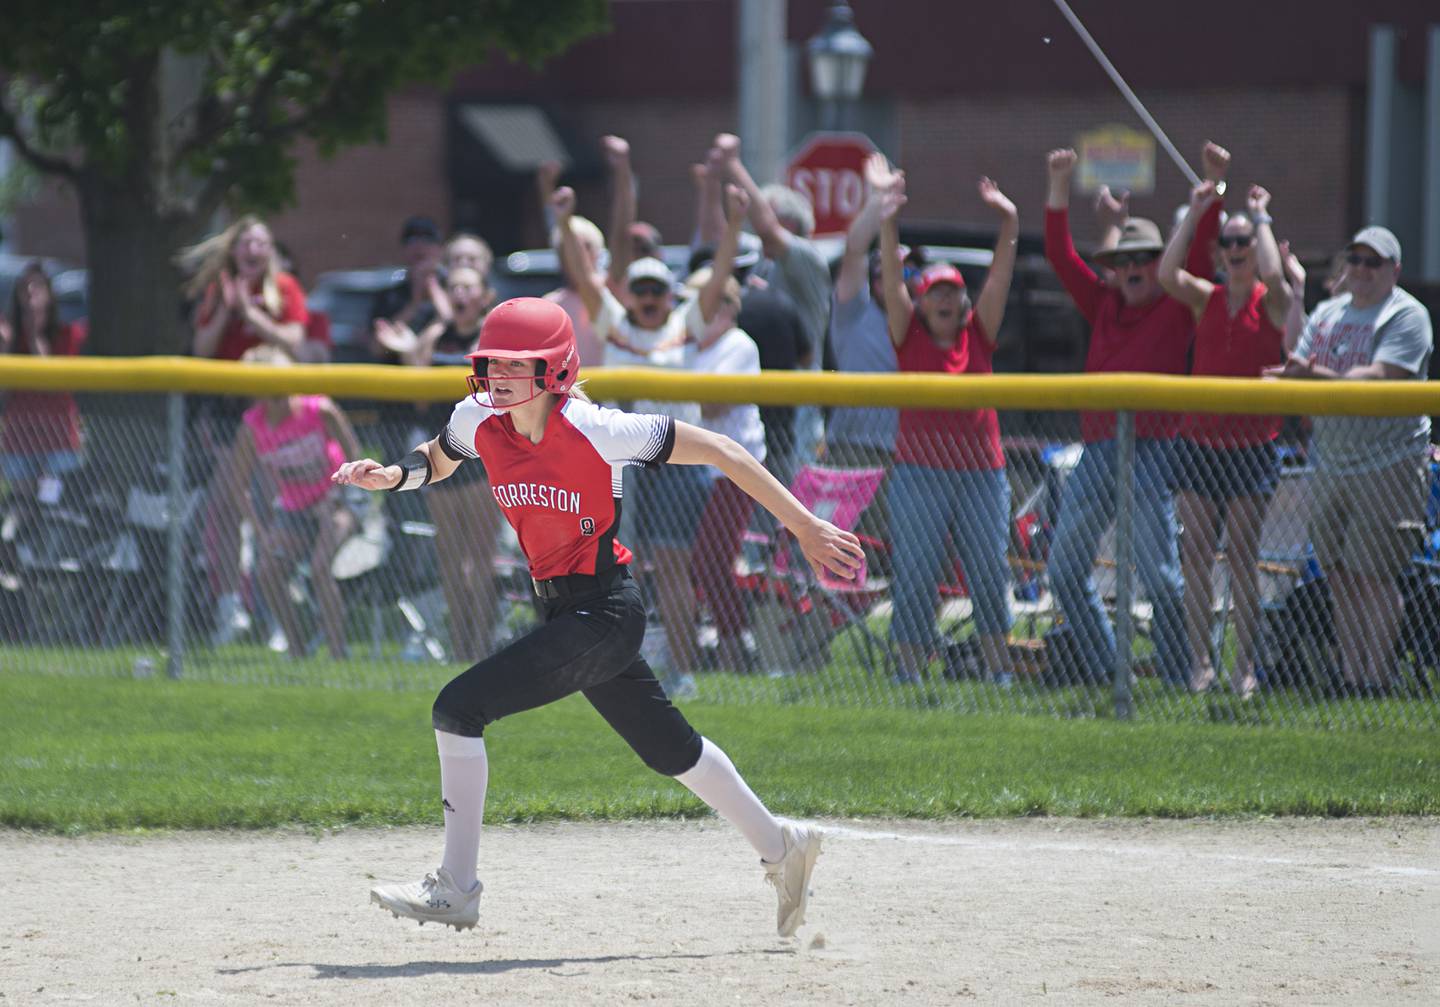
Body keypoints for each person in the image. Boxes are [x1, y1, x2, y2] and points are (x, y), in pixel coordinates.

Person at [332, 296, 863, 936]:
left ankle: (457, 886)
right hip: (564, 610)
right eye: (490, 361)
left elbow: (723, 449)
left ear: (553, 370)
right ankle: (784, 848)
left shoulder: (596, 429)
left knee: (458, 709)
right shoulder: (479, 417)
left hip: (604, 608)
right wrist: (392, 476)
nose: (496, 375)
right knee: (672, 750)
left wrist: (804, 527)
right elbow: (439, 456)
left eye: (514, 363)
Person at [553, 166, 750, 698]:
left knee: (676, 572)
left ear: (668, 294)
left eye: (655, 290)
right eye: (638, 288)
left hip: (674, 465)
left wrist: (732, 224)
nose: (646, 297)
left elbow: (717, 274)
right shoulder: (614, 323)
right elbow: (584, 276)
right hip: (619, 468)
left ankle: (682, 671)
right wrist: (566, 220)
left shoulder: (684, 324)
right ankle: (619, 672)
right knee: (616, 576)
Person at [1043, 143, 1225, 687]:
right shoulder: (1103, 302)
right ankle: (1105, 667)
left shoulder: (1174, 303)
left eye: (1143, 258)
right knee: (1063, 570)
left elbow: (1202, 255)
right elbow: (1059, 255)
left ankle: (1179, 673)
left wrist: (1211, 189)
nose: (1131, 268)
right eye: (1122, 260)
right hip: (1100, 448)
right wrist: (1058, 183)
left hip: (1154, 448)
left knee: (1161, 576)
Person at [1264, 226, 1434, 697]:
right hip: (1331, 462)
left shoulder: (1407, 315)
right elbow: (1298, 355)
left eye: (1372, 262)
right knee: (1338, 573)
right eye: (1354, 260)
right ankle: (1350, 674)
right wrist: (1296, 295)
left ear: (1393, 271)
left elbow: (1378, 376)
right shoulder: (1330, 311)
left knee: (1373, 575)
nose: (1360, 270)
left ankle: (1376, 679)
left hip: (1389, 463)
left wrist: (1310, 373)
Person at [873, 160, 1020, 687]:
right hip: (919, 472)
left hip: (982, 472)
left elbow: (1001, 276)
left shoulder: (977, 334)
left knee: (988, 572)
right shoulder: (907, 334)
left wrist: (1009, 223)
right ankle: (909, 668)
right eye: (935, 291)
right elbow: (892, 285)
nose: (945, 299)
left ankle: (1000, 668)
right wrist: (888, 222)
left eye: (953, 292)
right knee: (916, 573)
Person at [1159, 181, 1293, 698]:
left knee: (1241, 554)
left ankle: (1246, 669)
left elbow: (1278, 277)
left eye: (1244, 244)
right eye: (1230, 244)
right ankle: (1201, 663)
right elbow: (1168, 273)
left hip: (1251, 446)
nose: (1238, 251)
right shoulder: (1207, 297)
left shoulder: (1272, 303)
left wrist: (1260, 217)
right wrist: (1194, 212)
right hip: (1198, 444)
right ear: (1219, 254)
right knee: (1195, 552)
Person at [178, 215, 313, 646]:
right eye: (245, 243)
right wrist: (227, 309)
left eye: (261, 243)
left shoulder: (286, 288)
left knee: (273, 506)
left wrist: (251, 313)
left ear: (269, 251)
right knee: (229, 508)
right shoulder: (219, 291)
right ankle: (229, 607)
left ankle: (278, 609)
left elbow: (294, 342)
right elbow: (202, 351)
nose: (253, 250)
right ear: (234, 251)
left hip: (273, 407)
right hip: (228, 412)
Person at [375, 263, 504, 663]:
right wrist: (419, 341)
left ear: (484, 296)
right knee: (450, 562)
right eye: (454, 288)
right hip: (444, 456)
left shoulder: (491, 339)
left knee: (479, 564)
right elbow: (418, 397)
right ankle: (461, 649)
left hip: (484, 460)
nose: (461, 294)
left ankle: (482, 647)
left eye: (469, 288)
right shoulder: (437, 336)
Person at [225, 346, 364, 659]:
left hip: (338, 501)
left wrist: (336, 496)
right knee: (269, 571)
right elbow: (238, 485)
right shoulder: (253, 426)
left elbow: (358, 460)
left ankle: (339, 652)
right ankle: (297, 649)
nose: (278, 398)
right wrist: (261, 532)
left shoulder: (320, 411)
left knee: (319, 568)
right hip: (295, 509)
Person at [712, 134, 832, 482]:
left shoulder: (807, 258)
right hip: (757, 401)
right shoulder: (762, 264)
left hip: (796, 403)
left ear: (791, 225)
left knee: (792, 494)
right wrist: (711, 185)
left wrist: (734, 164)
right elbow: (715, 244)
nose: (761, 227)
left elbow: (765, 226)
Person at [683, 264, 767, 673]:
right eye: (696, 300)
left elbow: (715, 404)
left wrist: (667, 395)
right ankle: (704, 640)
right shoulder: (687, 345)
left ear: (731, 306)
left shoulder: (738, 344)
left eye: (713, 301)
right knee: (683, 560)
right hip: (689, 467)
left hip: (733, 470)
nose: (702, 309)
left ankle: (738, 643)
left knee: (711, 560)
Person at [0, 264, 87, 493]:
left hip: (58, 440)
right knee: (24, 510)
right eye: (24, 287)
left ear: (49, 293)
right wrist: (7, 346)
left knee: (54, 508)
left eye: (37, 285)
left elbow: (52, 384)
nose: (30, 291)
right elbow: (3, 394)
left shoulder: (67, 334)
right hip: (19, 440)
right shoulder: (10, 338)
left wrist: (35, 333)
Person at [537, 159, 608, 369]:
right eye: (567, 249)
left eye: (585, 247)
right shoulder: (549, 305)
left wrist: (622, 173)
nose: (575, 255)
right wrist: (545, 187)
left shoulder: (610, 293)